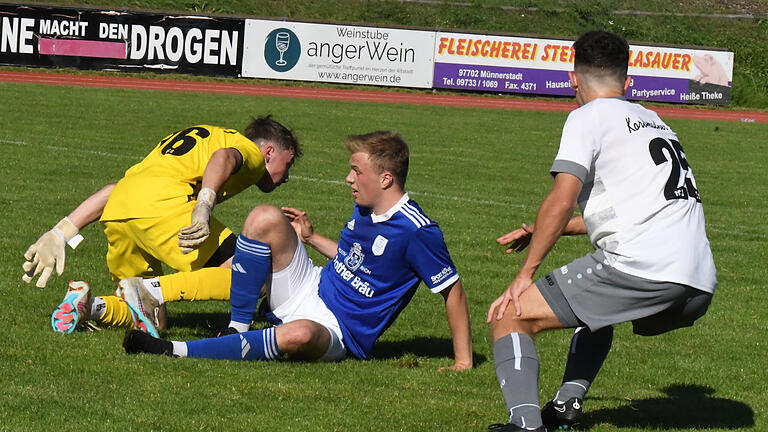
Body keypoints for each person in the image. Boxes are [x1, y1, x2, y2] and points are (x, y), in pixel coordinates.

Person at [486, 31, 716, 431]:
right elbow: (637, 208)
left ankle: (525, 425)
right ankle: (565, 406)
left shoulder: (586, 117)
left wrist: (524, 275)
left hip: (643, 266)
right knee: (597, 311)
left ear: (572, 78)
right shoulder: (655, 120)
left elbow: (561, 200)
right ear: (628, 82)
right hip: (698, 280)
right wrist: (544, 230)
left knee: (510, 315)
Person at [123, 131, 473, 370]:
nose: (349, 179)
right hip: (312, 285)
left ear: (385, 179)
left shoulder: (417, 231)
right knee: (264, 217)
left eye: (356, 171)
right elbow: (355, 262)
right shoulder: (366, 207)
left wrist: (463, 361)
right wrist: (311, 237)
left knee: (300, 334)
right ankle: (238, 327)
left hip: (339, 330)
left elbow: (452, 290)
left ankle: (175, 351)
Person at [23, 116, 301, 336]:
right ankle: (154, 288)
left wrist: (62, 231)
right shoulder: (250, 153)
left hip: (120, 209)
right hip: (162, 205)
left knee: (156, 319)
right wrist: (203, 207)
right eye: (287, 165)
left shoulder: (204, 136)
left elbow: (118, 188)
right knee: (253, 278)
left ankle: (89, 305)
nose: (286, 177)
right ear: (268, 152)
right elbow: (224, 159)